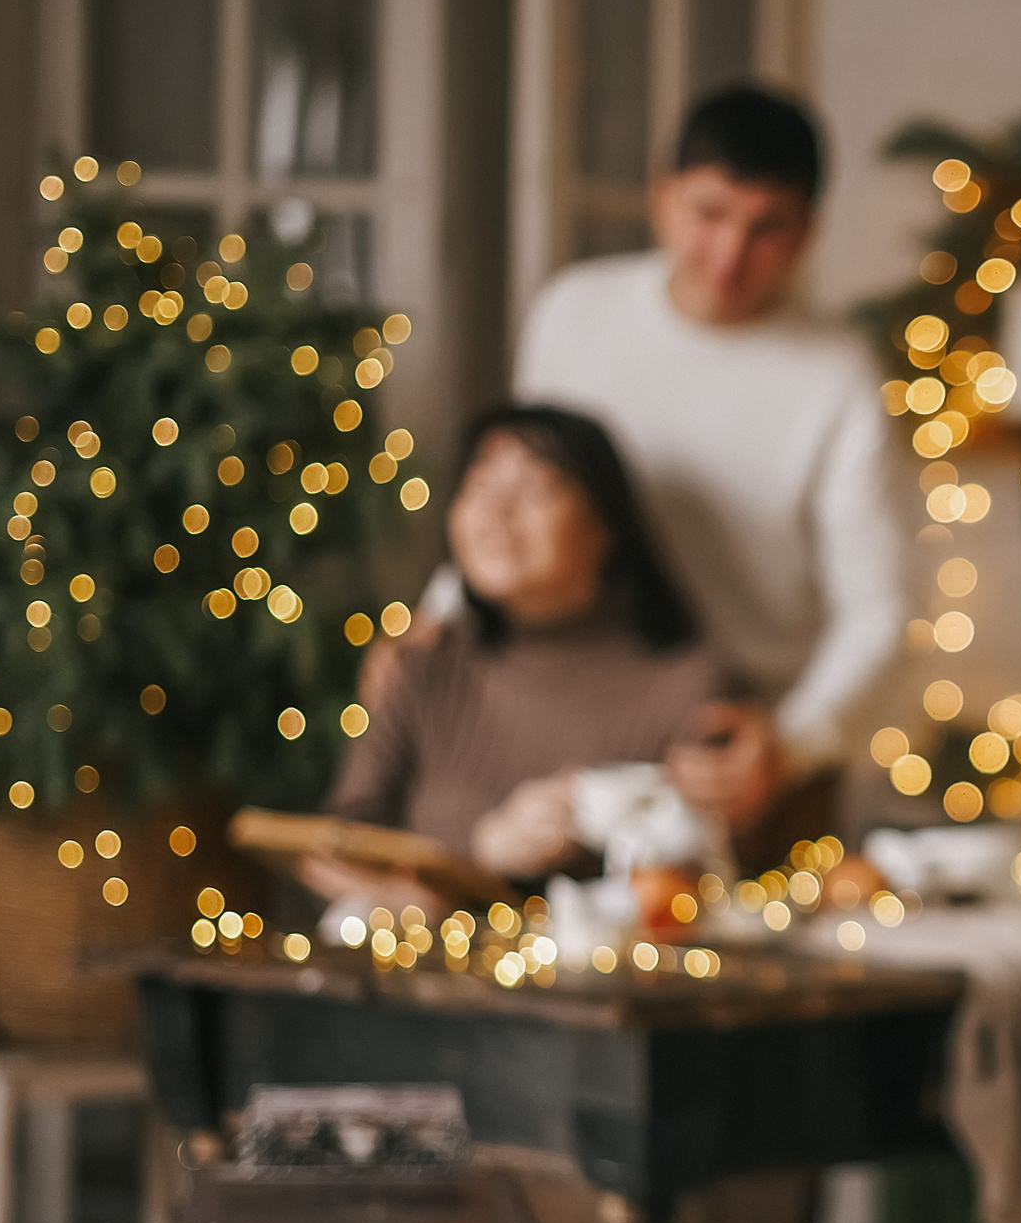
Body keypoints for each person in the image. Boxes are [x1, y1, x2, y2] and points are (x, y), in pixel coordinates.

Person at [508, 82, 909, 847]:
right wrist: (432, 627)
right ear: (661, 198)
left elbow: (880, 610)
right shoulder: (572, 315)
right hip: (569, 725)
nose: (729, 257)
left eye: (766, 228)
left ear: (807, 234)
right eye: (709, 214)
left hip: (745, 758)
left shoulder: (839, 375)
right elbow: (516, 501)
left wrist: (791, 743)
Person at [309, 402, 729, 899]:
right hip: (408, 967)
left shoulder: (687, 686)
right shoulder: (428, 662)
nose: (496, 513)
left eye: (534, 491)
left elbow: (699, 883)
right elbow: (328, 848)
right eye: (479, 487)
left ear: (607, 527)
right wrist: (475, 855)